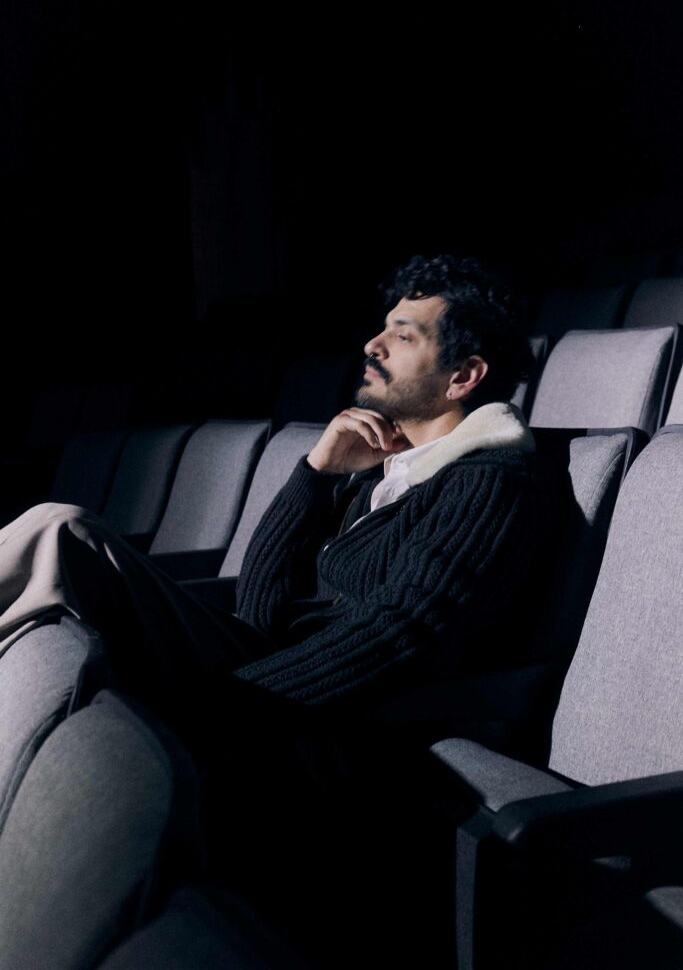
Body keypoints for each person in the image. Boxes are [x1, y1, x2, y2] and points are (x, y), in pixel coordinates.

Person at [0, 254, 563, 965]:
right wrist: (316, 475)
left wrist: (218, 706)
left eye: (402, 335)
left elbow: (406, 635)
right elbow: (263, 612)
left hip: (328, 719)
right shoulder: (384, 469)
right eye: (381, 329)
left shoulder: (490, 480)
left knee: (59, 533)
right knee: (61, 539)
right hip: (266, 673)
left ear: (463, 376)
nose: (372, 345)